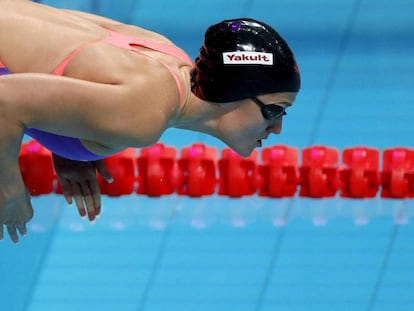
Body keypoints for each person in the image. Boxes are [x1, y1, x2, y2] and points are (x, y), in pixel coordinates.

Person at [0, 0, 301, 243]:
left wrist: (71, 131)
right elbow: (4, 101)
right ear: (236, 92)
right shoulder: (144, 115)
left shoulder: (169, 56)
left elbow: (57, 46)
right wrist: (9, 191)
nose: (277, 128)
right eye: (274, 110)